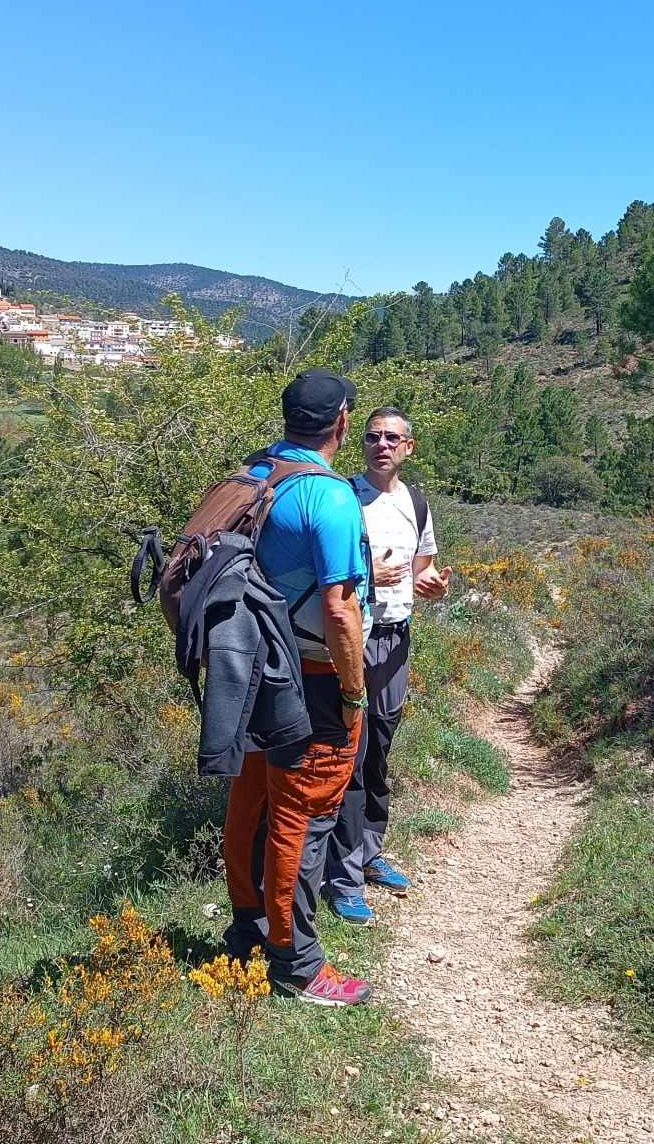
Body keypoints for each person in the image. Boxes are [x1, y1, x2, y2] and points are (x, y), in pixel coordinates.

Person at [220, 368, 375, 1005]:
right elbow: (340, 611)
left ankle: (248, 931)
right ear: (341, 423)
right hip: (310, 677)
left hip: (248, 667)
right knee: (303, 815)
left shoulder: (256, 475)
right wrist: (355, 691)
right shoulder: (329, 496)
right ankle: (298, 964)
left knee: (251, 799)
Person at [324, 407, 451, 924]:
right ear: (361, 442)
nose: (382, 444)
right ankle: (343, 876)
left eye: (392, 437)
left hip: (395, 640)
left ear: (408, 448)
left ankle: (370, 851)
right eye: (373, 436)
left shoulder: (416, 504)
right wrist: (366, 573)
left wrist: (436, 587)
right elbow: (322, 576)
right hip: (352, 640)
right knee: (347, 756)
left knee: (378, 751)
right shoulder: (342, 498)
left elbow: (423, 570)